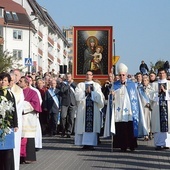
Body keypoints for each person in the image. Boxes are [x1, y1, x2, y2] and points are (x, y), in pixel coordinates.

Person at [110, 63, 147, 151]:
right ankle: (122, 146)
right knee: (121, 128)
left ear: (126, 75)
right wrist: (112, 95)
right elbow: (112, 99)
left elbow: (136, 97)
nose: (122, 76)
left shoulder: (132, 85)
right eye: (120, 75)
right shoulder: (114, 85)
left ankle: (132, 146)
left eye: (123, 75)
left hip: (130, 111)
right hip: (119, 111)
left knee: (130, 128)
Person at [74, 70, 104, 150]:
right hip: (83, 110)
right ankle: (84, 144)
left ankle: (91, 144)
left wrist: (92, 93)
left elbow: (100, 96)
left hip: (93, 109)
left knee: (92, 127)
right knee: (83, 126)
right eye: (87, 74)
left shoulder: (96, 85)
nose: (88, 76)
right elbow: (77, 95)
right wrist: (85, 92)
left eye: (90, 75)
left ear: (92, 76)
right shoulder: (80, 85)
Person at [18, 76, 42, 164]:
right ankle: (20, 157)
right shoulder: (17, 92)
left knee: (28, 137)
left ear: (26, 83)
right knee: (20, 137)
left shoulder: (33, 92)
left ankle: (29, 157)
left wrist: (24, 107)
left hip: (28, 118)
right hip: (20, 118)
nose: (19, 82)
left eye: (21, 81)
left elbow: (36, 104)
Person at [0, 72, 18, 170]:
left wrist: (15, 124)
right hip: (0, 126)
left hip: (9, 127)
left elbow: (14, 110)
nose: (3, 82)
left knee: (8, 151)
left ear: (8, 82)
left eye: (5, 80)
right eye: (1, 80)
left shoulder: (11, 94)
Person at [149, 68, 170, 150]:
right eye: (160, 73)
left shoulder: (169, 83)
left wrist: (165, 91)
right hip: (157, 108)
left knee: (167, 125)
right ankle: (158, 144)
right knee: (157, 125)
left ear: (166, 74)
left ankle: (167, 144)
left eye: (163, 73)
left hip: (167, 107)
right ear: (158, 74)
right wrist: (157, 92)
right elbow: (150, 96)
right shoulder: (153, 84)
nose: (162, 75)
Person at [10, 71, 24, 170]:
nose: (10, 82)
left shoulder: (18, 91)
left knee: (14, 144)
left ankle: (14, 166)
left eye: (12, 80)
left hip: (14, 122)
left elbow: (18, 107)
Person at [59, 73, 77, 138]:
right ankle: (63, 130)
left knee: (71, 118)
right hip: (65, 103)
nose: (68, 78)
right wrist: (68, 84)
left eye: (69, 77)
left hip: (72, 103)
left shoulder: (75, 84)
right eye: (67, 77)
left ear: (71, 77)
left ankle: (69, 132)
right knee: (63, 117)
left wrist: (71, 84)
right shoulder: (63, 84)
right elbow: (62, 90)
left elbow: (77, 90)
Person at [138, 76, 154, 141]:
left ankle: (150, 132)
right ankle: (146, 134)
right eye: (143, 80)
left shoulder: (151, 89)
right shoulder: (139, 89)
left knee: (150, 120)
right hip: (143, 107)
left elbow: (153, 98)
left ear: (148, 81)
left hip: (150, 107)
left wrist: (150, 103)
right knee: (145, 120)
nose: (144, 82)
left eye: (146, 80)